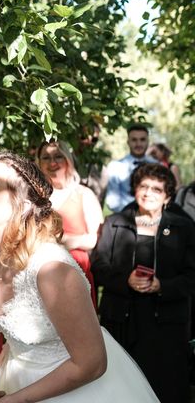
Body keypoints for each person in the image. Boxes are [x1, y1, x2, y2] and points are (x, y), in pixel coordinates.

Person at [0, 148, 158, 402]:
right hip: (12, 376)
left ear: (21, 205)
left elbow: (92, 364)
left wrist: (15, 400)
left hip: (79, 385)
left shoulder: (51, 268)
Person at [91, 163, 195, 402]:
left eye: (157, 189)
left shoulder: (184, 228)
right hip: (122, 319)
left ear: (168, 196)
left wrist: (163, 286)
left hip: (167, 322)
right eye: (143, 186)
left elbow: (192, 276)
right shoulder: (115, 223)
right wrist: (124, 279)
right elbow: (98, 266)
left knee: (166, 387)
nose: (148, 193)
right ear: (135, 189)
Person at [35, 141, 103, 306]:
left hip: (75, 269)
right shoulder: (35, 198)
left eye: (58, 156)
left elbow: (96, 238)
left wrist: (66, 241)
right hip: (39, 270)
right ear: (39, 163)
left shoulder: (83, 194)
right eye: (46, 157)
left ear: (68, 160)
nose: (53, 163)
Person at [105, 123, 156, 213]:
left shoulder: (157, 166)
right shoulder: (115, 167)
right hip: (124, 219)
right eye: (134, 140)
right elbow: (112, 201)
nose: (138, 144)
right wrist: (133, 214)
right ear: (128, 142)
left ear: (148, 142)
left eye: (142, 140)